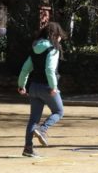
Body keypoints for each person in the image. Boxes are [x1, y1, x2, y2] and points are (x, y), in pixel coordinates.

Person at [17, 22, 67, 158]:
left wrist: (21, 85)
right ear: (55, 35)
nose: (60, 38)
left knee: (33, 119)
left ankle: (28, 148)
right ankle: (42, 129)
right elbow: (49, 69)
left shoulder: (35, 48)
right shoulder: (53, 49)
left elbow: (25, 69)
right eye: (59, 36)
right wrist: (54, 86)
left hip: (34, 87)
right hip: (47, 87)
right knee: (59, 111)